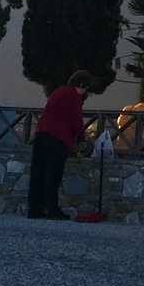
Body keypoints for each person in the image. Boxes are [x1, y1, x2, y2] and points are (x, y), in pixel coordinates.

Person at [28, 69, 92, 220]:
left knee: (38, 174)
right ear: (82, 85)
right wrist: (82, 138)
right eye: (86, 88)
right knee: (53, 175)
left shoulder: (58, 91)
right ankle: (52, 210)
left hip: (41, 135)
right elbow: (76, 119)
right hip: (57, 139)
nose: (85, 93)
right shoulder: (74, 96)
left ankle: (35, 209)